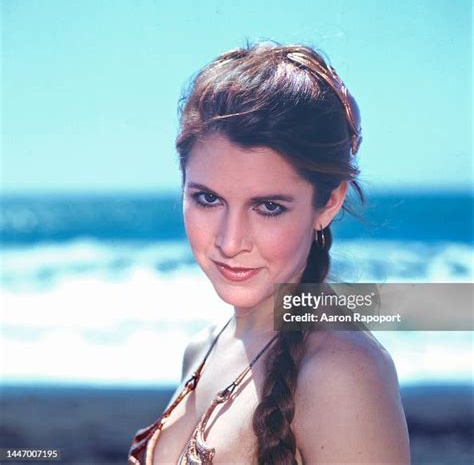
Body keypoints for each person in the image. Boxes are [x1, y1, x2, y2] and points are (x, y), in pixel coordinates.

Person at [128, 41, 410, 464]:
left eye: (269, 207)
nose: (229, 241)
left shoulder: (343, 374)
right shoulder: (203, 348)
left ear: (329, 202)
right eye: (208, 199)